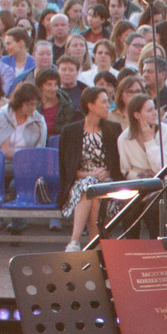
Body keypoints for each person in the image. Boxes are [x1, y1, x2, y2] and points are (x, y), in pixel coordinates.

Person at [58, 84, 123, 250]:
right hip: (80, 184)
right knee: (89, 188)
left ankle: (76, 242)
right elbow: (68, 169)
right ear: (91, 105)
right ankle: (96, 246)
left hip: (107, 183)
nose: (108, 105)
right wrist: (89, 174)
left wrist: (104, 173)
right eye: (104, 102)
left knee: (94, 193)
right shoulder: (70, 132)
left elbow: (117, 167)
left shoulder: (113, 130)